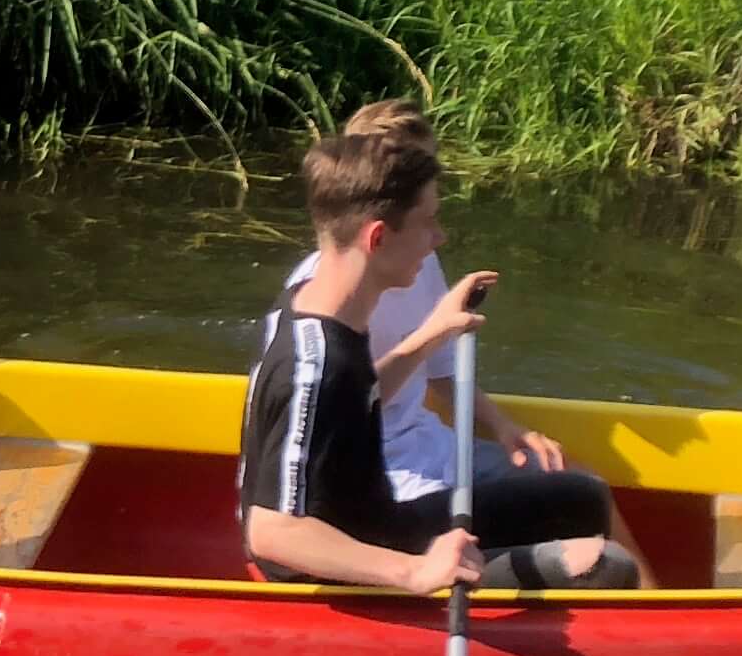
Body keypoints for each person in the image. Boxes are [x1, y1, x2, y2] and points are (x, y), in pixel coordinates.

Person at [243, 131, 637, 593]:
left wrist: (432, 334)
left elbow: (358, 399)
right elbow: (271, 533)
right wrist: (416, 572)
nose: (439, 238)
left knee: (584, 497)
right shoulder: (315, 367)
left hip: (377, 524)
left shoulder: (319, 305)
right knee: (603, 566)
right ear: (378, 237)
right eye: (428, 222)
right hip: (341, 573)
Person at [262, 100, 578, 509]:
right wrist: (433, 333)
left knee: (580, 486)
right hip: (382, 471)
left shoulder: (417, 258)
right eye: (414, 172)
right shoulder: (320, 299)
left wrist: (504, 426)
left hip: (432, 445)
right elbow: (346, 405)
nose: (429, 184)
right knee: (577, 542)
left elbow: (443, 373)